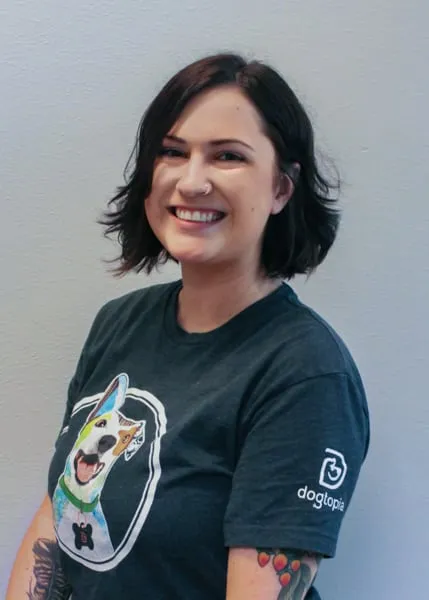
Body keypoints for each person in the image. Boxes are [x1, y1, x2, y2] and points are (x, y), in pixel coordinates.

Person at [7, 52, 370, 600]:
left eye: (228, 156)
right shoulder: (119, 323)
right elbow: (57, 517)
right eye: (173, 152)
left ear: (281, 188)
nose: (192, 181)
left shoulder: (305, 373)